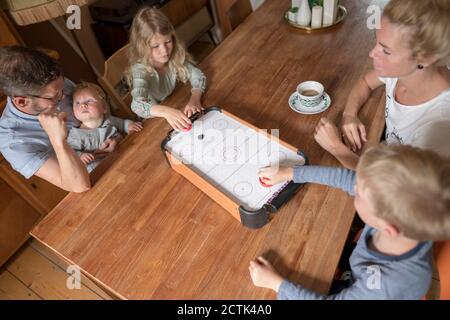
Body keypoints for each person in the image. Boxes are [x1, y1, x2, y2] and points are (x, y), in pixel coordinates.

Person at [249, 144, 450, 299]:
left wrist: (276, 283)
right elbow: (346, 177)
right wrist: (291, 173)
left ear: (388, 228)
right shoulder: (408, 220)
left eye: (359, 194)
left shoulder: (386, 284)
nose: (353, 187)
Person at [314, 0, 450, 170]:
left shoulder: (438, 128)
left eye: (386, 51)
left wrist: (336, 148)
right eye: (376, 41)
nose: (372, 53)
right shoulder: (402, 72)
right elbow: (365, 82)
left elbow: (393, 186)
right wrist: (349, 114)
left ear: (426, 58)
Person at [0, 46, 99, 192]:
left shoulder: (57, 87)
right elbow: (80, 186)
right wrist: (58, 140)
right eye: (54, 96)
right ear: (22, 102)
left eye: (62, 86)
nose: (64, 95)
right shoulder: (13, 142)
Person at [127, 7, 207, 131]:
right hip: (152, 123)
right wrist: (166, 111)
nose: (164, 51)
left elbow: (198, 75)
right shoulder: (141, 70)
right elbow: (137, 104)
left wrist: (195, 98)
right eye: (155, 46)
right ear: (142, 47)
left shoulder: (173, 56)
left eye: (168, 41)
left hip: (173, 106)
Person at [68, 82, 143, 171]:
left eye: (89, 101)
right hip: (102, 171)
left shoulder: (109, 120)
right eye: (77, 103)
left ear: (104, 107)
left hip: (124, 158)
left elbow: (123, 124)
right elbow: (70, 153)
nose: (83, 105)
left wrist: (130, 125)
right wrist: (81, 156)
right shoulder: (76, 135)